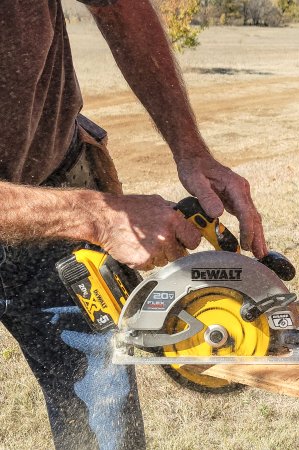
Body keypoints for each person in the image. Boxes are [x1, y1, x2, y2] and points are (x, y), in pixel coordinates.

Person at [0, 1, 267, 449]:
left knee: (106, 432)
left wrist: (189, 146)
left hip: (56, 187)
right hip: (73, 214)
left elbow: (121, 7)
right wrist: (96, 217)